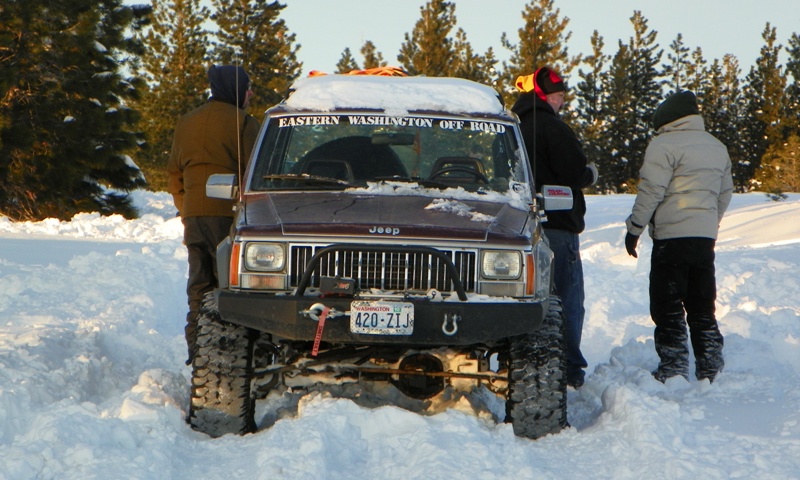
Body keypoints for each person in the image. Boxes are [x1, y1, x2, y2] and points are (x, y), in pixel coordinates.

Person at [624, 90, 733, 383]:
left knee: (667, 305)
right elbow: (724, 194)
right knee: (702, 305)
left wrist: (635, 228)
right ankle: (710, 366)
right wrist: (709, 223)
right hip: (703, 239)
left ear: (667, 120)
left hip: (671, 239)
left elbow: (651, 191)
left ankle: (673, 368)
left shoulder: (663, 144)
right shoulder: (716, 146)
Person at [512, 66, 598, 388]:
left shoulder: (513, 128)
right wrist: (590, 174)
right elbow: (574, 172)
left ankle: (523, 364)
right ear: (544, 95)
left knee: (526, 298)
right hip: (558, 227)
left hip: (518, 229)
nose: (562, 102)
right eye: (559, 96)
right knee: (567, 297)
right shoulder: (553, 128)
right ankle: (569, 368)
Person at [168, 65, 260, 364]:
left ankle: (198, 349)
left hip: (194, 216)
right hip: (230, 216)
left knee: (199, 283)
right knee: (231, 287)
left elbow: (175, 173)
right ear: (236, 89)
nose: (250, 94)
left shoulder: (186, 122)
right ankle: (231, 354)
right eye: (247, 88)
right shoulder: (243, 123)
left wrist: (186, 208)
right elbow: (256, 172)